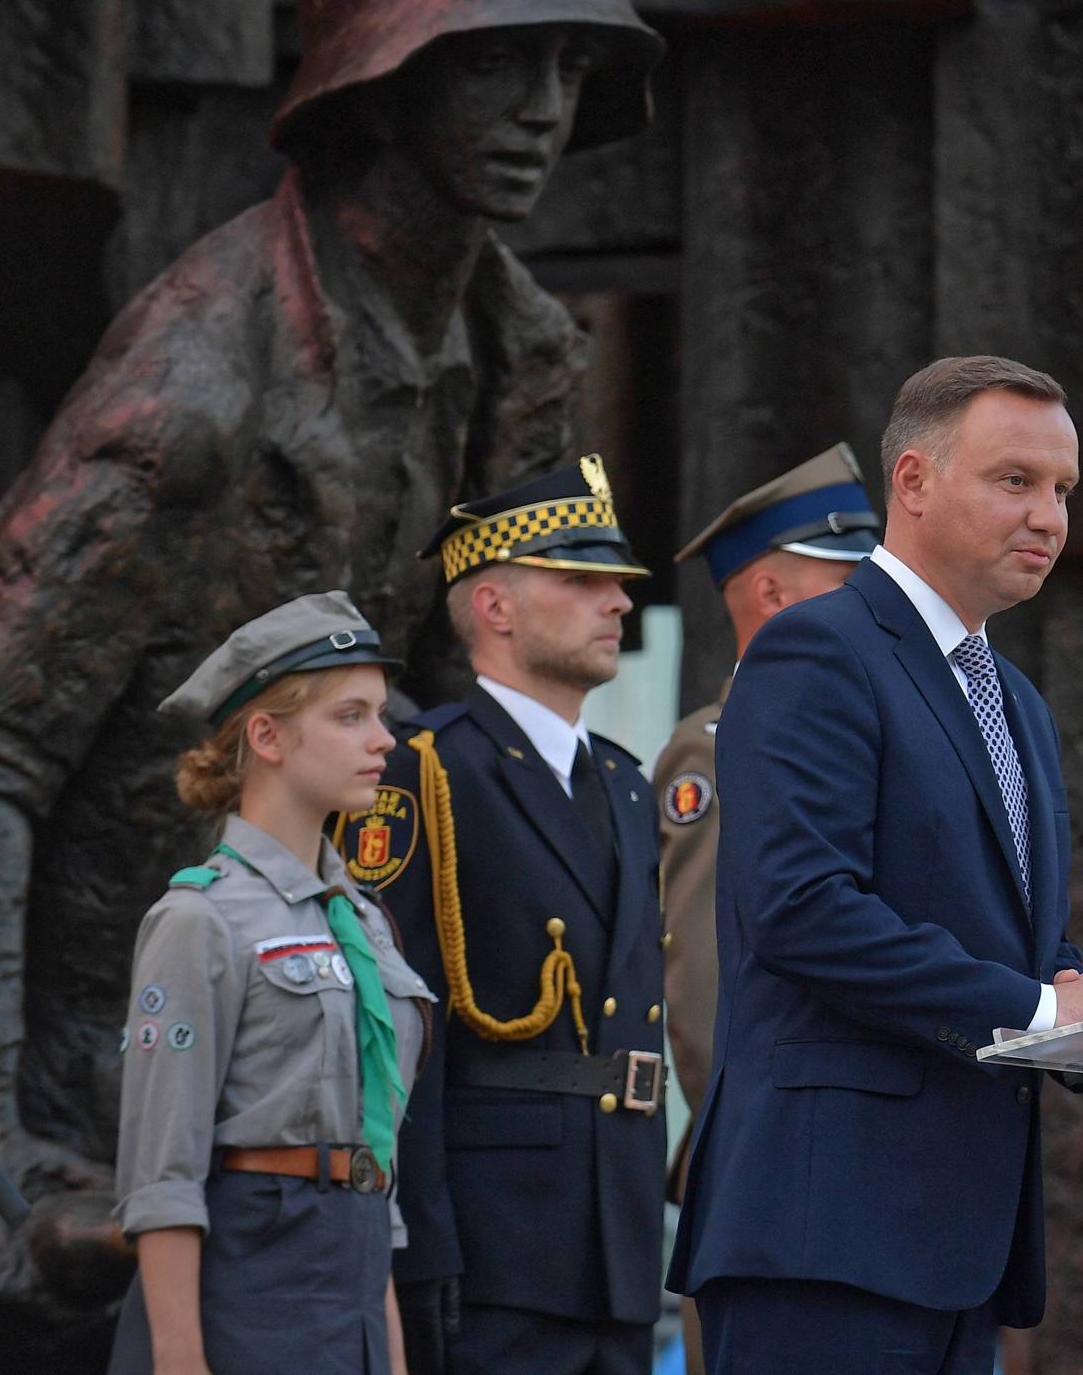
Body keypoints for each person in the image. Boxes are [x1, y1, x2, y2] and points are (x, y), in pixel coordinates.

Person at [0, 0, 659, 1310]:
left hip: (366, 1092)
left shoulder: (523, 358)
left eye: (568, 65)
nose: (542, 109)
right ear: (383, 83)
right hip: (128, 1108)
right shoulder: (197, 379)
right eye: (495, 63)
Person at [668, 356, 1083, 1374]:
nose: (1048, 515)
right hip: (826, 1230)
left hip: (958, 1239)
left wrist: (1073, 987)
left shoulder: (1014, 699)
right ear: (912, 482)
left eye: (1063, 489)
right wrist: (1032, 1009)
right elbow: (802, 909)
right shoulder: (817, 650)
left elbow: (996, 926)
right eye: (1014, 479)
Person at [353, 458, 667, 1375]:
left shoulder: (624, 780)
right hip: (494, 1244)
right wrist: (421, 1249)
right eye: (580, 580)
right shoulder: (426, 772)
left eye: (618, 582)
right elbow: (401, 1030)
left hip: (615, 1236)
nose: (617, 602)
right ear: (494, 605)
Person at [111, 592, 438, 1375]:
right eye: (350, 715)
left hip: (352, 1286)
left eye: (380, 713)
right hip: (246, 1296)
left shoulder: (362, 921)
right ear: (267, 735)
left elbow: (374, 1163)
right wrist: (180, 1362)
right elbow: (163, 1179)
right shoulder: (200, 918)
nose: (383, 739)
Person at [657, 442, 881, 1375]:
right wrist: (774, 1148)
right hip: (780, 1185)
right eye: (848, 578)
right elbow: (705, 990)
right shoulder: (718, 752)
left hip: (872, 1177)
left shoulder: (860, 734)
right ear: (772, 595)